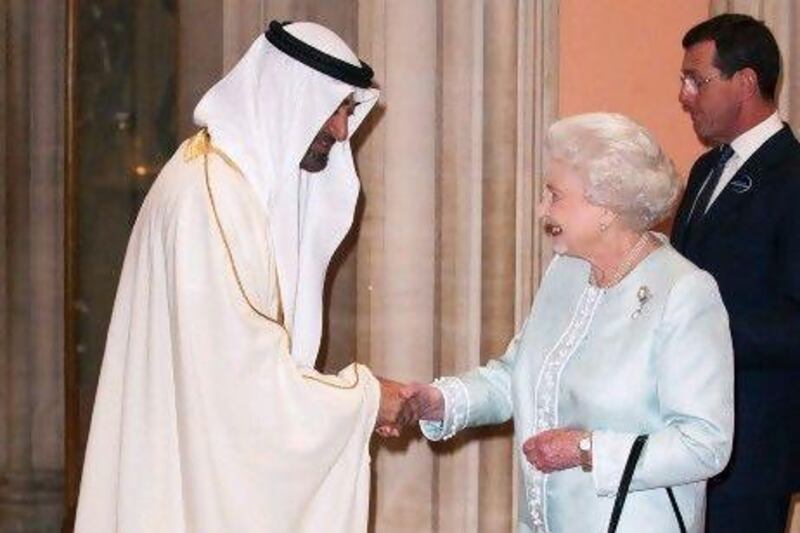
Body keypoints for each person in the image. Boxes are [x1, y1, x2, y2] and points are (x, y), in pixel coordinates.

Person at [75, 21, 404, 533]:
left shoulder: (221, 179)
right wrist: (363, 398)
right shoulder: (212, 198)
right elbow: (241, 388)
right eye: (334, 108)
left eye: (347, 111)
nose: (342, 131)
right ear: (287, 96)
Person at [396, 113, 734, 532]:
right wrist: (443, 400)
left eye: (554, 195)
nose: (542, 209)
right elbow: (516, 374)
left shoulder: (684, 292)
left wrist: (587, 449)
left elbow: (705, 445)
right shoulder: (566, 271)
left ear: (606, 207)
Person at [672, 13, 800, 532]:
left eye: (696, 80)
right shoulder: (706, 169)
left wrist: (697, 333)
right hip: (685, 430)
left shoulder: (794, 178)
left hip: (754, 440)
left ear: (745, 82)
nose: (684, 95)